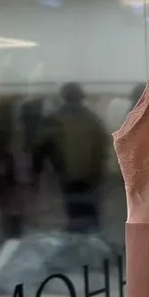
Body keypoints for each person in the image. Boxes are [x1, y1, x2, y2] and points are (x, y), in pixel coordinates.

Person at [34, 82, 109, 233]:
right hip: (90, 174)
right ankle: (90, 235)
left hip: (67, 173)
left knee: (74, 208)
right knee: (90, 209)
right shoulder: (91, 118)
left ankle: (77, 235)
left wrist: (37, 169)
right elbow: (102, 144)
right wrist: (99, 168)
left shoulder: (54, 119)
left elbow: (41, 145)